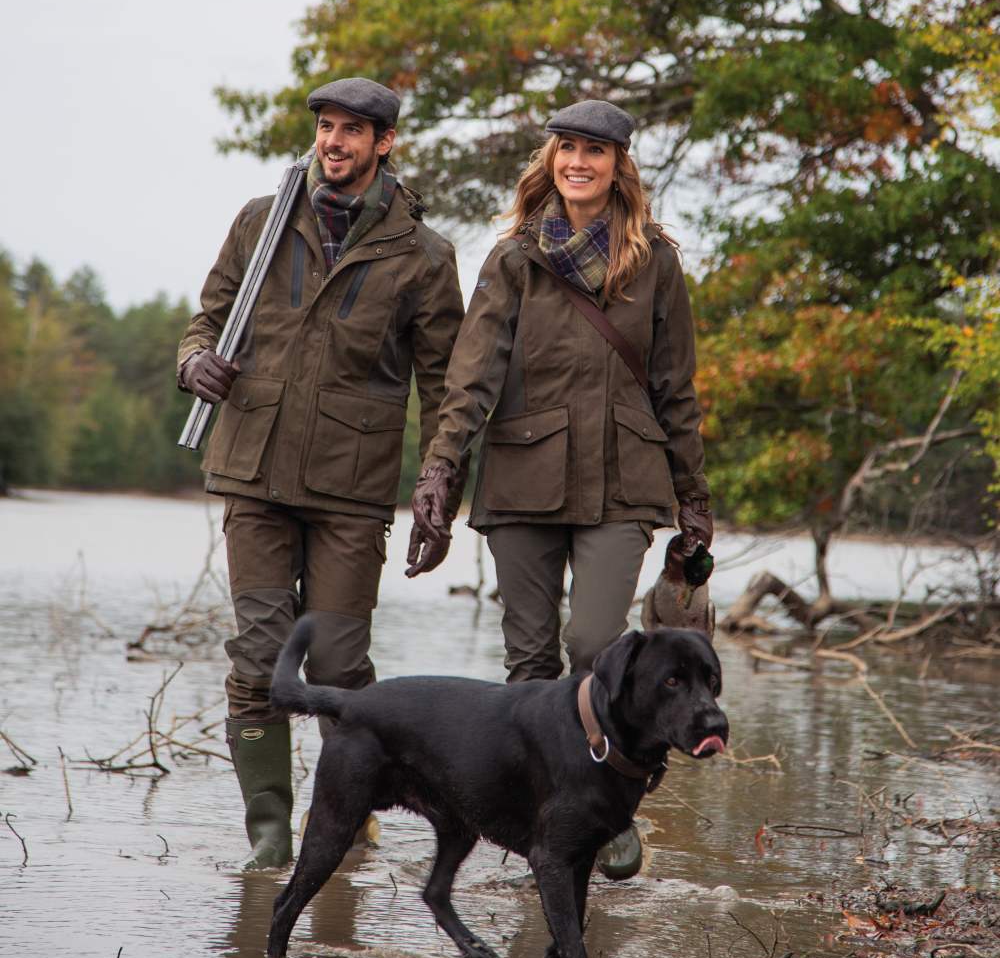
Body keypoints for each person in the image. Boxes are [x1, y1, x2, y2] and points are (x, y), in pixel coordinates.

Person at [408, 99, 712, 880]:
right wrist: (440, 472)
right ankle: (552, 825)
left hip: (624, 481)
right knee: (531, 664)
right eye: (566, 148)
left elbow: (675, 387)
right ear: (551, 160)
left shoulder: (656, 263)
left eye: (594, 151)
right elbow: (470, 380)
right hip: (522, 480)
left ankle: (612, 804)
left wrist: (694, 496)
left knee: (598, 647)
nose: (578, 162)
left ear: (618, 165)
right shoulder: (513, 258)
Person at [178, 77, 464, 869]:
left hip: (351, 489)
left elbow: (446, 386)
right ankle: (269, 836)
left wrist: (440, 484)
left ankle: (346, 810)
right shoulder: (259, 219)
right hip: (253, 471)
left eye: (351, 131)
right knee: (259, 659)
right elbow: (207, 319)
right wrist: (194, 361)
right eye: (326, 127)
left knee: (339, 667)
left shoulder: (425, 255)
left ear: (384, 143)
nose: (333, 142)